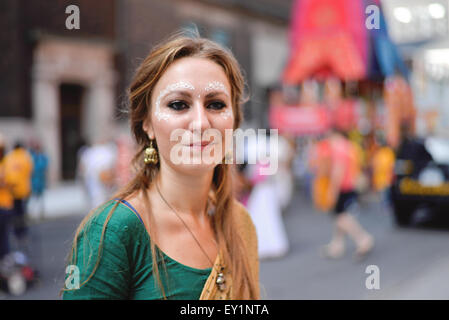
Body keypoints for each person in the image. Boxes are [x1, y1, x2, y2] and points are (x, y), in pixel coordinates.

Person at [62, 32, 260, 300]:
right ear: (147, 123)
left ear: (234, 120)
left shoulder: (240, 223)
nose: (201, 123)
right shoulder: (112, 230)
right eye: (178, 105)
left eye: (216, 104)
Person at [321, 129, 374, 260]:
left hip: (343, 187)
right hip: (352, 183)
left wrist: (332, 190)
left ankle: (363, 238)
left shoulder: (338, 148)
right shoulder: (350, 146)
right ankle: (337, 245)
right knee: (339, 216)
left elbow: (338, 170)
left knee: (341, 217)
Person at [3, 142, 33, 253]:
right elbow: (30, 171)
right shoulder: (26, 157)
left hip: (11, 190)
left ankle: (16, 232)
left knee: (14, 213)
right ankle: (22, 232)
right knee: (22, 212)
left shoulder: (8, 157)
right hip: (23, 190)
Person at [0, 134, 14, 262]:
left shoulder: (6, 164)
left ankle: (5, 258)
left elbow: (9, 181)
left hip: (4, 205)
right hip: (5, 205)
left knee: (4, 235)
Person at [29, 140, 49, 220]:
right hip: (34, 180)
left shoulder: (42, 157)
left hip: (40, 179)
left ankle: (40, 212)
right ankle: (33, 213)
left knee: (40, 197)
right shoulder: (32, 156)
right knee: (34, 197)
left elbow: (45, 166)